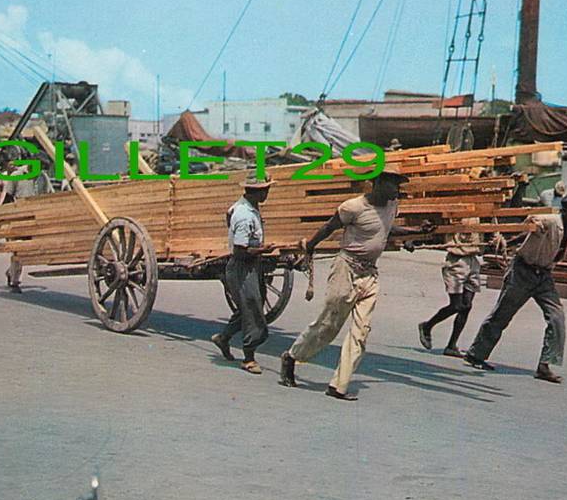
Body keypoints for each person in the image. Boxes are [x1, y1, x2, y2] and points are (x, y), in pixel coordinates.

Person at [278, 170, 434, 400]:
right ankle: (292, 357)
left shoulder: (392, 205)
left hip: (370, 274)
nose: (398, 190)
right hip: (346, 269)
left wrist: (416, 232)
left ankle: (338, 386)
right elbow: (329, 227)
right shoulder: (353, 207)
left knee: (361, 333)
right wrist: (310, 246)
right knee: (328, 324)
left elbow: (386, 229)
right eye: (394, 184)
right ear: (378, 183)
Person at [462, 192, 567, 384]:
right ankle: (476, 354)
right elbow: (532, 224)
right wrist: (515, 236)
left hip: (544, 276)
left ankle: (544, 365)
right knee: (502, 315)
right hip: (523, 271)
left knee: (556, 317)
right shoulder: (550, 221)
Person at [211, 175, 277, 375]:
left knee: (248, 307)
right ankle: (248, 358)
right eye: (265, 190)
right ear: (255, 191)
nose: (267, 193)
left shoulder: (245, 208)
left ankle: (223, 337)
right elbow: (240, 251)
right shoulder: (244, 214)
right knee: (252, 309)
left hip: (250, 266)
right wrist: (263, 250)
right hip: (242, 267)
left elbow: (227, 216)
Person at [416, 218, 498, 357]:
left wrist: (496, 239)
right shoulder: (455, 213)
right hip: (456, 261)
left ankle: (451, 345)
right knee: (456, 305)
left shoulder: (483, 213)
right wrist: (417, 239)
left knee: (467, 306)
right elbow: (434, 226)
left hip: (473, 261)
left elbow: (494, 230)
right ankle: (427, 325)